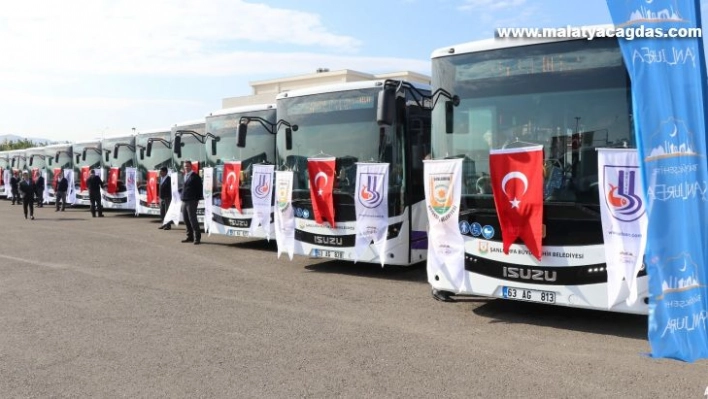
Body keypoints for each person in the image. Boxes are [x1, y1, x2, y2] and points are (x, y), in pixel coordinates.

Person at [180, 161, 203, 245]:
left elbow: (199, 189)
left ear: (191, 166)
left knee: (192, 219)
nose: (186, 168)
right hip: (184, 200)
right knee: (186, 219)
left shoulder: (195, 177)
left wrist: (197, 200)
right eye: (185, 166)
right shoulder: (184, 176)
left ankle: (197, 237)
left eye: (188, 166)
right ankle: (190, 236)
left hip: (192, 201)